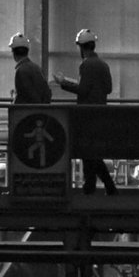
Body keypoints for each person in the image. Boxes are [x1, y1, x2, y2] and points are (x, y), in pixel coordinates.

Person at [54, 28, 117, 195]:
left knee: (88, 153)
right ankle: (96, 187)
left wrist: (63, 83)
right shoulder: (103, 65)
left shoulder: (86, 65)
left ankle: (99, 187)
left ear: (82, 47)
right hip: (100, 114)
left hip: (87, 117)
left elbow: (82, 90)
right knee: (93, 153)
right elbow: (108, 88)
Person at [9, 32, 53, 105]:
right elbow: (46, 92)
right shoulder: (36, 67)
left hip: (27, 112)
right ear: (27, 51)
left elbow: (25, 94)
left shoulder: (21, 71)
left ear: (13, 52)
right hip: (41, 111)